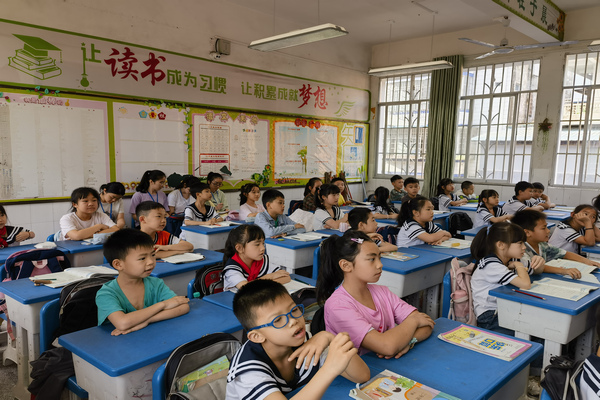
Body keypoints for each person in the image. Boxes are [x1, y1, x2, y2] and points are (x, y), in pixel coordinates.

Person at [226, 279, 370, 400]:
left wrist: (329, 337)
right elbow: (330, 370)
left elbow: (363, 376)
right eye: (278, 320)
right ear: (257, 336)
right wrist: (329, 369)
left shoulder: (303, 341)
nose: (293, 321)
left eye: (294, 310)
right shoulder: (247, 371)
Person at [316, 230, 434, 357]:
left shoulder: (382, 292)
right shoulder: (338, 306)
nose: (380, 265)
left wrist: (408, 341)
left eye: (379, 258)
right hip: (360, 368)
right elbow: (387, 347)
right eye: (372, 259)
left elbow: (427, 324)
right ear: (346, 265)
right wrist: (414, 321)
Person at [96, 228, 189, 336]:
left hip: (152, 337)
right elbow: (122, 323)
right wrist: (163, 304)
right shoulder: (106, 293)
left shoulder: (155, 283)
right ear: (118, 264)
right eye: (142, 258)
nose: (151, 262)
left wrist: (148, 320)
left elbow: (183, 306)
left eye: (153, 255)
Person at [470, 222, 533, 333]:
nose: (524, 247)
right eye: (520, 243)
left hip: (504, 309)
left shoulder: (509, 259)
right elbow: (525, 284)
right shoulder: (492, 265)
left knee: (534, 326)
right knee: (532, 333)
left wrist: (539, 262)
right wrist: (519, 266)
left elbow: (536, 269)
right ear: (501, 245)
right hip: (490, 316)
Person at [512, 209, 600, 278]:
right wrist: (564, 271)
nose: (548, 231)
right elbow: (534, 267)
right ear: (527, 233)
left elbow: (564, 253)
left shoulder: (542, 245)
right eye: (543, 228)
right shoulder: (520, 249)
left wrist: (587, 261)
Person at [222, 224, 290, 292]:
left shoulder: (262, 261)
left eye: (263, 243)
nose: (263, 248)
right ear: (240, 248)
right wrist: (269, 277)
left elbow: (286, 277)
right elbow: (246, 288)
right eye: (257, 244)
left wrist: (261, 284)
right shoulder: (232, 269)